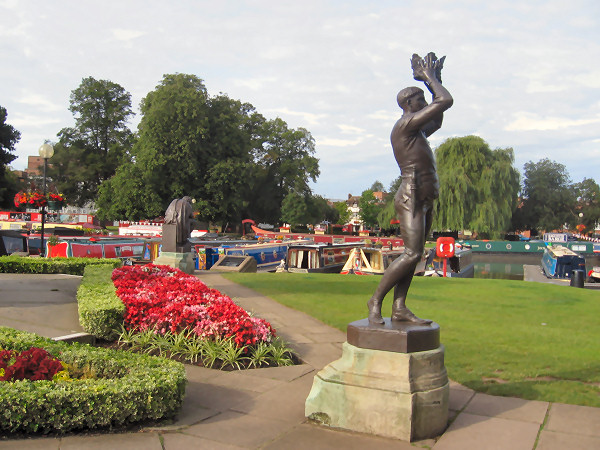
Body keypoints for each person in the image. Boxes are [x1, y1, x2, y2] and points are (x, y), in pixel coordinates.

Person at [367, 52, 453, 325]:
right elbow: (445, 101)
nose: (425, 102)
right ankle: (376, 300)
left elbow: (438, 117)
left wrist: (434, 79)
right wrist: (429, 78)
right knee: (412, 253)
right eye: (420, 99)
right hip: (411, 194)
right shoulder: (405, 125)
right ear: (408, 103)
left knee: (417, 253)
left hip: (425, 195)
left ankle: (400, 307)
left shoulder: (419, 131)